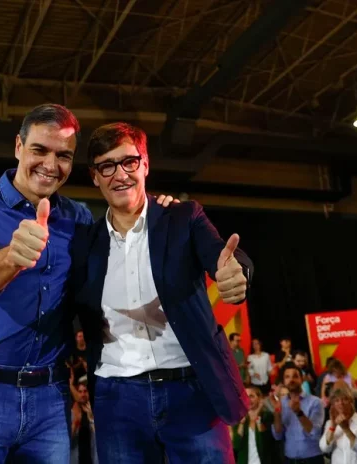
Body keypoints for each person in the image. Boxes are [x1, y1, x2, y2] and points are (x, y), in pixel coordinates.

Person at [0, 105, 175, 463]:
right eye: (40, 150)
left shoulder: (77, 217)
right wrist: (12, 256)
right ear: (18, 146)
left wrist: (159, 211)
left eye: (63, 155)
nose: (51, 164)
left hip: (49, 399)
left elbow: (120, 258)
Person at [72, 122, 252, 463]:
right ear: (94, 176)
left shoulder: (184, 217)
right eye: (106, 166)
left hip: (191, 391)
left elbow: (220, 255)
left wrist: (234, 273)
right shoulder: (85, 243)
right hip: (117, 399)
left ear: (145, 164)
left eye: (129, 162)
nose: (120, 174)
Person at [269, 362, 324, 463]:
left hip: (311, 458)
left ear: (302, 379)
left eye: (295, 376)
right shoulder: (281, 403)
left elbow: (314, 432)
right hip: (290, 459)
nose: (291, 380)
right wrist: (277, 411)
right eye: (287, 377)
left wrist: (299, 412)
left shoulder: (315, 402)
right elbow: (278, 435)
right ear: (284, 381)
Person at [319, 387, 357, 463]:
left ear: (351, 402)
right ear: (333, 405)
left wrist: (346, 429)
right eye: (337, 401)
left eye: (344, 399)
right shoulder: (330, 423)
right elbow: (324, 448)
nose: (341, 403)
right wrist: (333, 426)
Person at [233, 385, 282, 464]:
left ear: (259, 398)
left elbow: (266, 444)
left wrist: (258, 416)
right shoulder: (239, 418)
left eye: (251, 396)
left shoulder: (267, 416)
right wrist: (241, 424)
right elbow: (236, 445)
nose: (248, 400)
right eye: (245, 397)